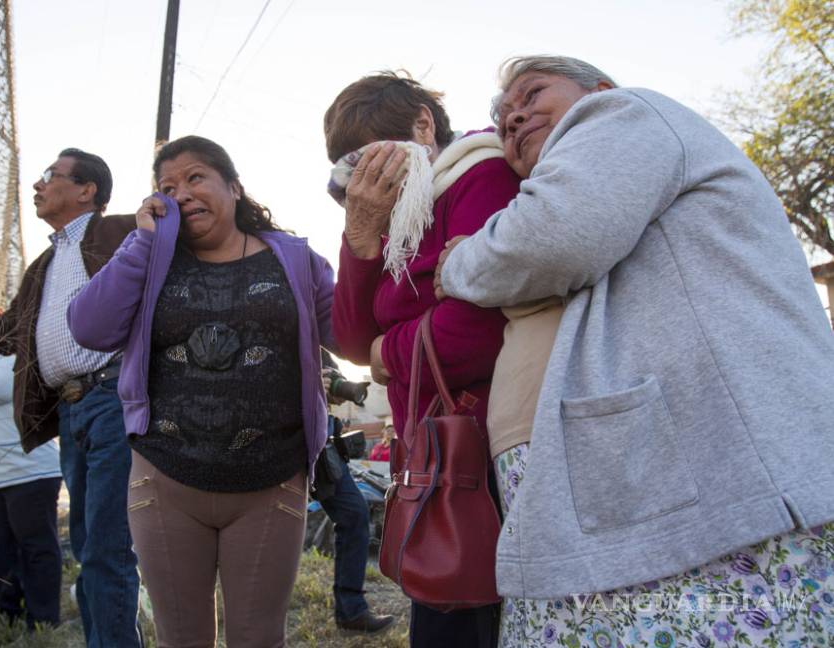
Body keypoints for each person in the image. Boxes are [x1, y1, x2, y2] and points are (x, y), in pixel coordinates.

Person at [435, 55, 834, 647]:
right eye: (502, 117)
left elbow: (551, 238)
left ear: (596, 88)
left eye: (532, 93)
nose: (513, 118)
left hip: (725, 476)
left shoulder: (623, 112)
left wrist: (459, 260)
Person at [67, 135, 335, 648]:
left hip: (270, 480)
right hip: (166, 480)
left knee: (258, 638)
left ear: (233, 187)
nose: (180, 193)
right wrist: (143, 241)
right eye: (167, 186)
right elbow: (89, 327)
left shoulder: (296, 261)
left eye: (195, 177)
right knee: (180, 639)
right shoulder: (151, 260)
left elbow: (347, 332)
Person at [324, 71, 521, 648]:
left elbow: (477, 331)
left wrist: (393, 346)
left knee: (467, 613)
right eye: (349, 167)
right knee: (440, 604)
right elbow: (352, 341)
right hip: (429, 446)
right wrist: (359, 238)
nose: (364, 177)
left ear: (422, 125)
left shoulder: (479, 175)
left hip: (486, 445)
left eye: (371, 155)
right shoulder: (397, 212)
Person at [0, 148, 141, 647]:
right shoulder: (44, 266)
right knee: (88, 546)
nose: (38, 185)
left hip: (112, 399)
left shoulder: (122, 232)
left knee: (106, 550)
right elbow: (3, 334)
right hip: (72, 411)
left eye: (50, 176)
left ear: (87, 190)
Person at [0, 341, 62, 629]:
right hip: (1, 478)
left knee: (36, 547)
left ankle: (43, 623)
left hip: (30, 474)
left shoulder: (17, 362)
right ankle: (8, 618)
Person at [317, 350, 395, 634]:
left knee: (354, 513)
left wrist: (334, 389)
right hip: (280, 442)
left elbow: (337, 391)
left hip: (321, 446)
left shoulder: (320, 345)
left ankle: (351, 611)